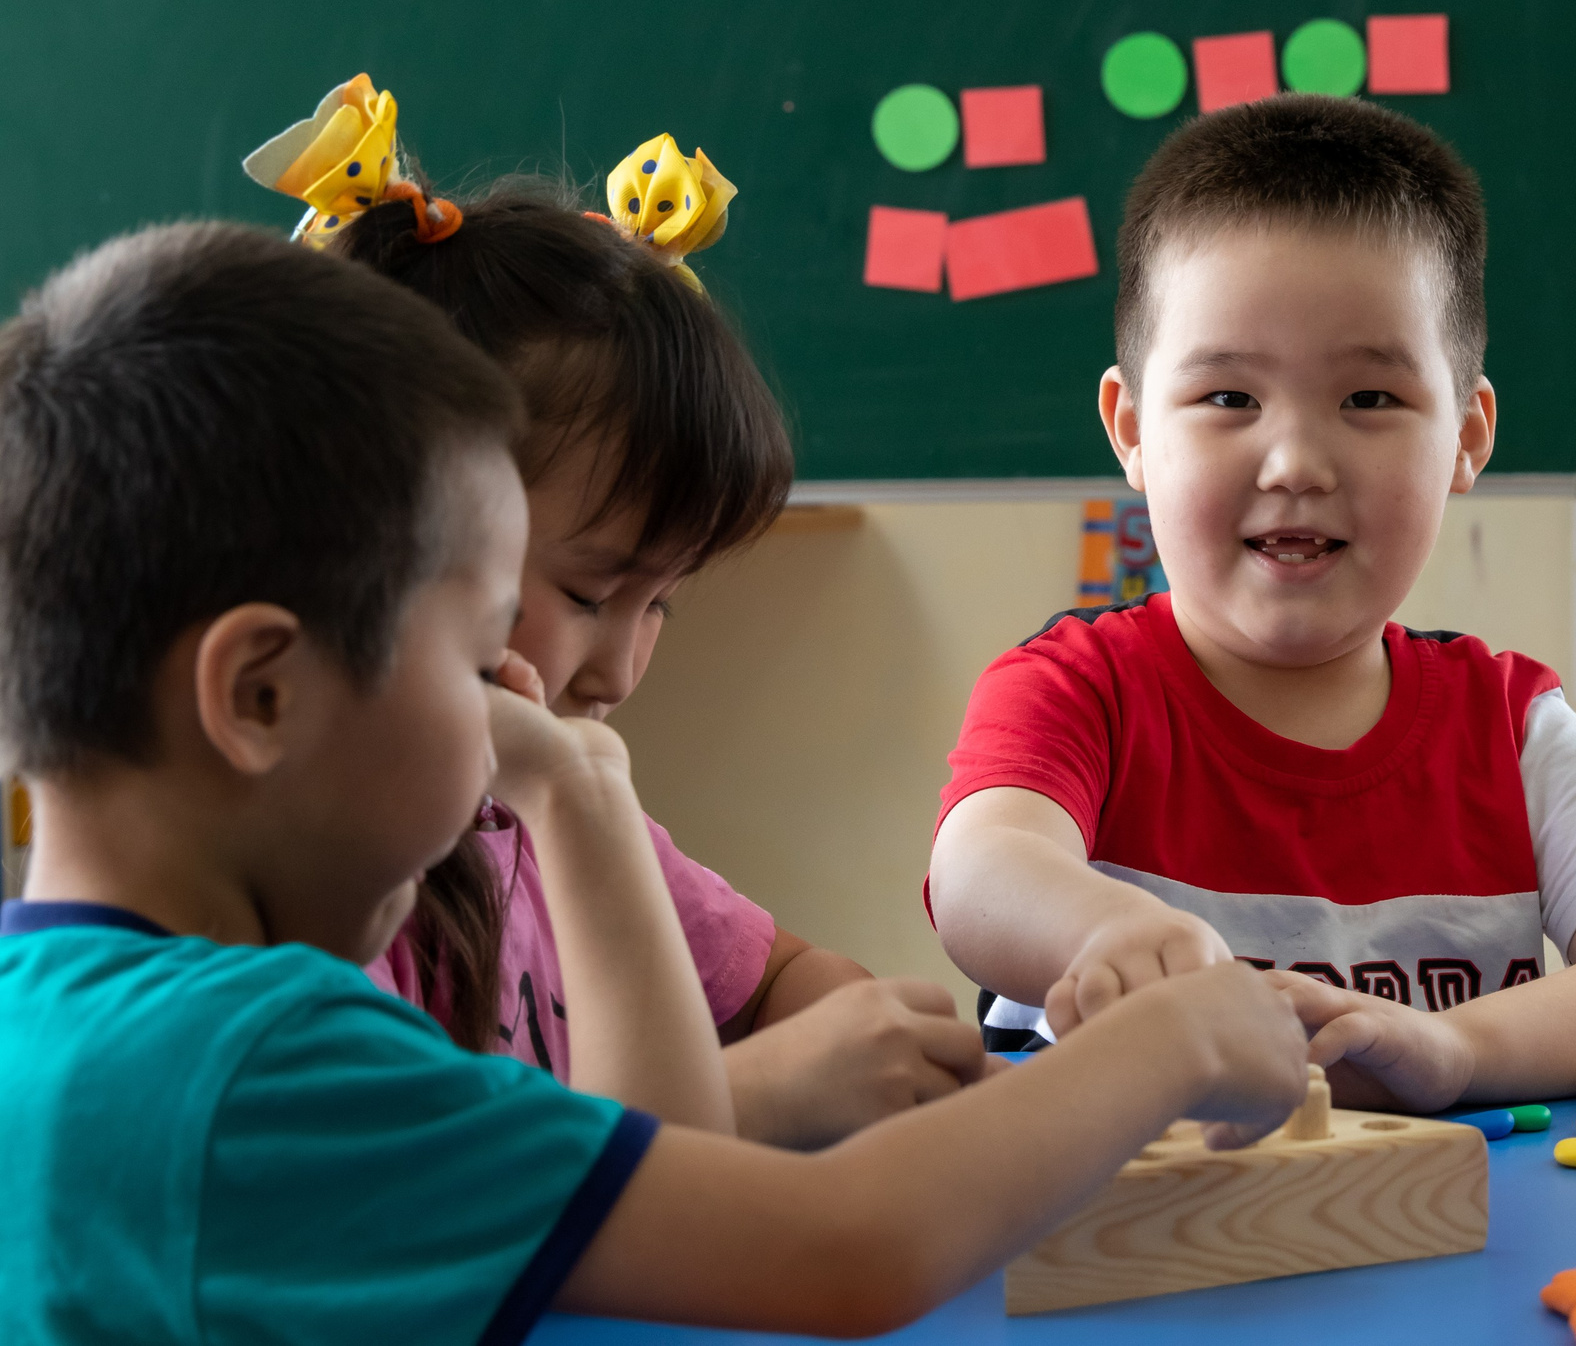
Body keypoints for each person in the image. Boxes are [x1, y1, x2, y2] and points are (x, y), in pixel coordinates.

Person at [0, 223, 1312, 1342]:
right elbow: (841, 1248)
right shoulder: (257, 1062)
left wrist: (575, 796)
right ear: (261, 696)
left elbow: (655, 1158)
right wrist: (1178, 1035)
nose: (538, 720)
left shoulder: (60, 1015)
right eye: (474, 663)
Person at [928, 95, 1576, 1111]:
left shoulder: (1507, 729)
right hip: (1125, 1251)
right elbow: (979, 871)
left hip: (1436, 1246)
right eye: (1229, 398)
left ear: (1465, 434)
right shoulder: (1076, 690)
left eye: (1368, 399)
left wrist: (1458, 1049)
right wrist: (1107, 930)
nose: (1294, 461)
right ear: (1132, 428)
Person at [247, 74, 978, 1147]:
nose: (620, 670)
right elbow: (420, 1185)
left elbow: (774, 976)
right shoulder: (326, 887)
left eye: (661, 608)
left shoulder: (553, 820)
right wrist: (750, 1100)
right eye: (591, 594)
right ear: (369, 537)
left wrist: (851, 1025)